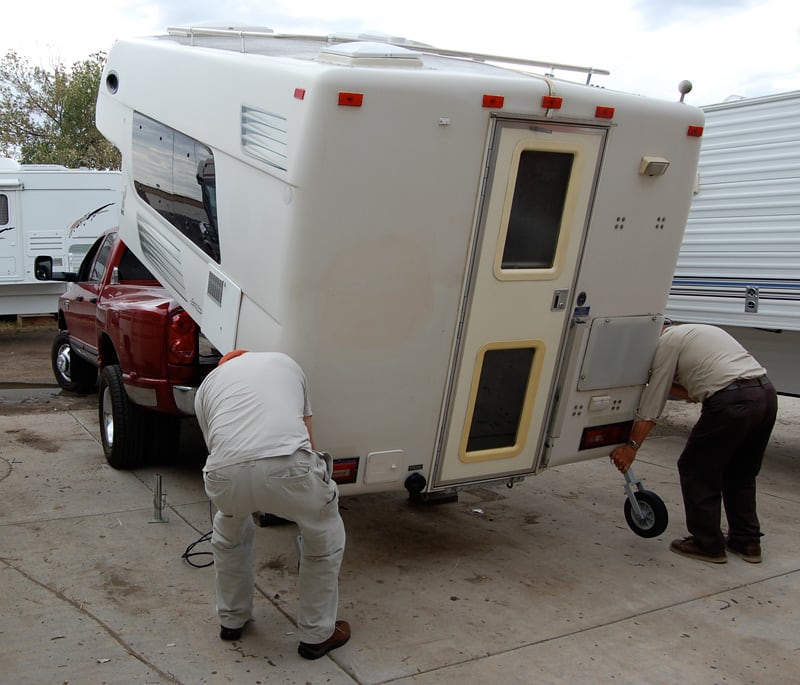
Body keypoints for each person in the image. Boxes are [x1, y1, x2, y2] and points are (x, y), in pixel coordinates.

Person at [194, 349, 350, 659]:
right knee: (322, 534)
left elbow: (220, 445)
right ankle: (317, 634)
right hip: (288, 465)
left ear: (226, 364)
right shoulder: (286, 363)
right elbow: (307, 435)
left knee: (229, 530)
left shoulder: (207, 385)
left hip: (225, 473)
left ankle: (231, 618)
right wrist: (313, 489)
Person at [610, 322, 777, 565]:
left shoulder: (667, 342)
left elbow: (652, 407)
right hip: (765, 394)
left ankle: (707, 544)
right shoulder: (697, 331)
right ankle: (747, 542)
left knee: (695, 468)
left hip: (731, 401)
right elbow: (691, 391)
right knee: (740, 472)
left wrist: (631, 447)